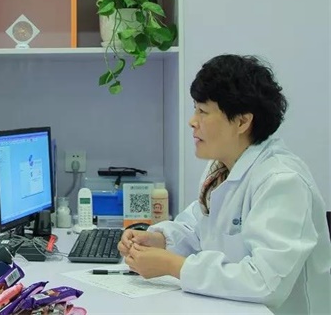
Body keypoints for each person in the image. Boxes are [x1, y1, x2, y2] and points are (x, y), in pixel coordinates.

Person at [119, 54, 331, 315]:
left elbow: (266, 283)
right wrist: (158, 239)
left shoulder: (282, 181)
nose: (192, 121)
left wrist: (174, 266)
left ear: (242, 122)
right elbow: (199, 229)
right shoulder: (221, 168)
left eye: (203, 111)